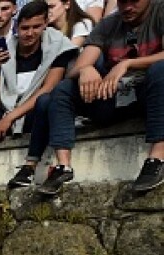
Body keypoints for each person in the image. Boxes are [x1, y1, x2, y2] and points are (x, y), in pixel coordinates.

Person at [34, 0, 164, 195]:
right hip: (113, 96)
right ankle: (63, 167)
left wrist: (128, 64)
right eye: (122, 2)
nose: (127, 7)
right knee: (64, 88)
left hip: (150, 94)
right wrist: (85, 69)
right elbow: (77, 67)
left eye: (134, 1)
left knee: (160, 71)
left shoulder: (160, 11)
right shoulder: (109, 23)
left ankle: (157, 159)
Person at [0, 0, 77, 190]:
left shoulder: (58, 45)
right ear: (16, 27)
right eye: (24, 28)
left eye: (36, 27)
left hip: (33, 114)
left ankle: (30, 166)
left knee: (45, 101)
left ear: (45, 24)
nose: (29, 33)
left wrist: (11, 117)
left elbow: (48, 88)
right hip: (7, 112)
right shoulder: (6, 48)